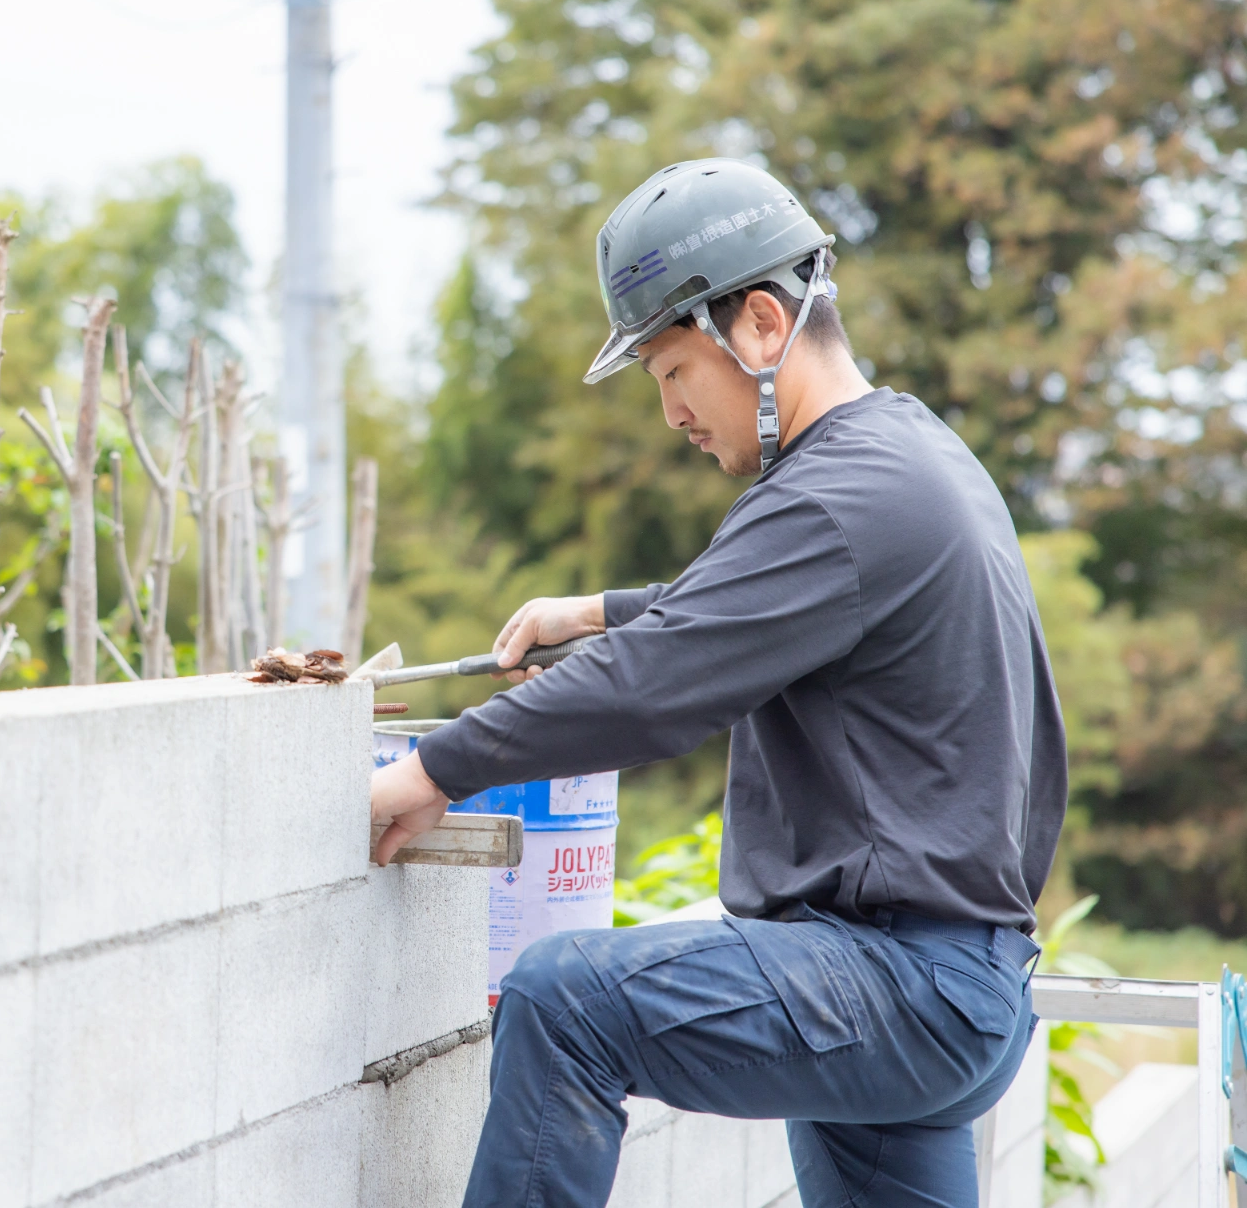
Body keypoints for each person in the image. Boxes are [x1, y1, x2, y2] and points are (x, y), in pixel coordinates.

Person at [369, 159, 1067, 1207]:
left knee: (565, 1000)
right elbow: (759, 606)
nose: (671, 415)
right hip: (957, 980)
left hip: (896, 982)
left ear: (753, 325)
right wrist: (600, 609)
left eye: (668, 372)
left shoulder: (834, 494)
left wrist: (428, 769)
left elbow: (656, 685)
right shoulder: (907, 455)